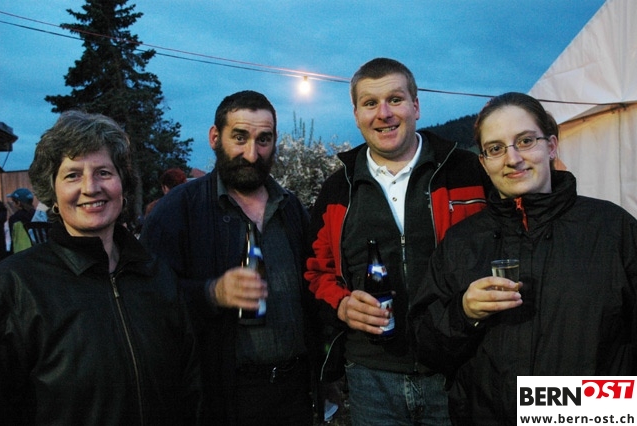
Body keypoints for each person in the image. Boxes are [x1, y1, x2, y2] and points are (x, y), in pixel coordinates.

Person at [409, 92, 637, 425]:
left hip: (588, 417)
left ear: (552, 146)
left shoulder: (612, 229)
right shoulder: (461, 242)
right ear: (484, 163)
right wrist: (464, 312)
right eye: (495, 148)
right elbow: (426, 349)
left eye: (526, 141)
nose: (512, 159)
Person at [304, 57, 490, 426]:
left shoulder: (467, 171)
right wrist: (341, 304)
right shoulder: (338, 189)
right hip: (371, 378)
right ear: (356, 115)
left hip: (460, 366)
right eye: (370, 103)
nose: (384, 113)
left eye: (395, 99)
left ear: (416, 106)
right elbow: (315, 271)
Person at [0, 110, 202, 425]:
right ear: (52, 193)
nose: (91, 187)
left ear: (122, 184)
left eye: (103, 172)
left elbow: (189, 388)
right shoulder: (16, 286)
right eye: (72, 175)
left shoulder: (156, 275)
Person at [141, 90, 319, 426]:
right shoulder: (177, 211)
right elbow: (146, 300)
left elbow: (314, 288)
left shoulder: (291, 208)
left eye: (263, 140)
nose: (252, 154)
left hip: (294, 391)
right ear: (214, 137)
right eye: (240, 137)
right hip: (221, 396)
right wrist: (212, 293)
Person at [6, 187, 36, 252]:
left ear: (18, 203)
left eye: (13, 202)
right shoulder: (37, 215)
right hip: (37, 252)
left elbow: (13, 239)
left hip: (20, 254)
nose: (13, 204)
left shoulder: (14, 219)